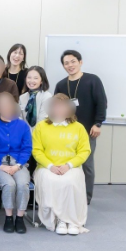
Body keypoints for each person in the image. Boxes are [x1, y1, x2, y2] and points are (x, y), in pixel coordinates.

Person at [32, 94, 91, 235]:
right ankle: (59, 219)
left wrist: (68, 165)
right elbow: (36, 150)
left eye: (62, 107)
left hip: (71, 167)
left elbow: (84, 151)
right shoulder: (41, 127)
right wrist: (50, 166)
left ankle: (72, 221)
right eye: (55, 107)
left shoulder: (78, 127)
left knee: (70, 182)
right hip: (46, 167)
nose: (58, 110)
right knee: (51, 181)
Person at [53, 50, 107, 205]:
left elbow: (101, 103)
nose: (70, 65)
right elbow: (56, 107)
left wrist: (98, 123)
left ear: (80, 62)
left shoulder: (92, 80)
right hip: (66, 131)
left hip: (88, 131)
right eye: (66, 63)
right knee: (66, 162)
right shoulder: (61, 84)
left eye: (73, 61)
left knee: (87, 164)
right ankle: (67, 194)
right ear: (63, 66)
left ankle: (85, 198)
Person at [0, 92, 32, 234]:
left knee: (22, 184)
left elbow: (26, 149)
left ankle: (20, 218)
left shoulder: (23, 126)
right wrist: (1, 166)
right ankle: (9, 217)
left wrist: (18, 165)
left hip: (19, 164)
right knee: (9, 184)